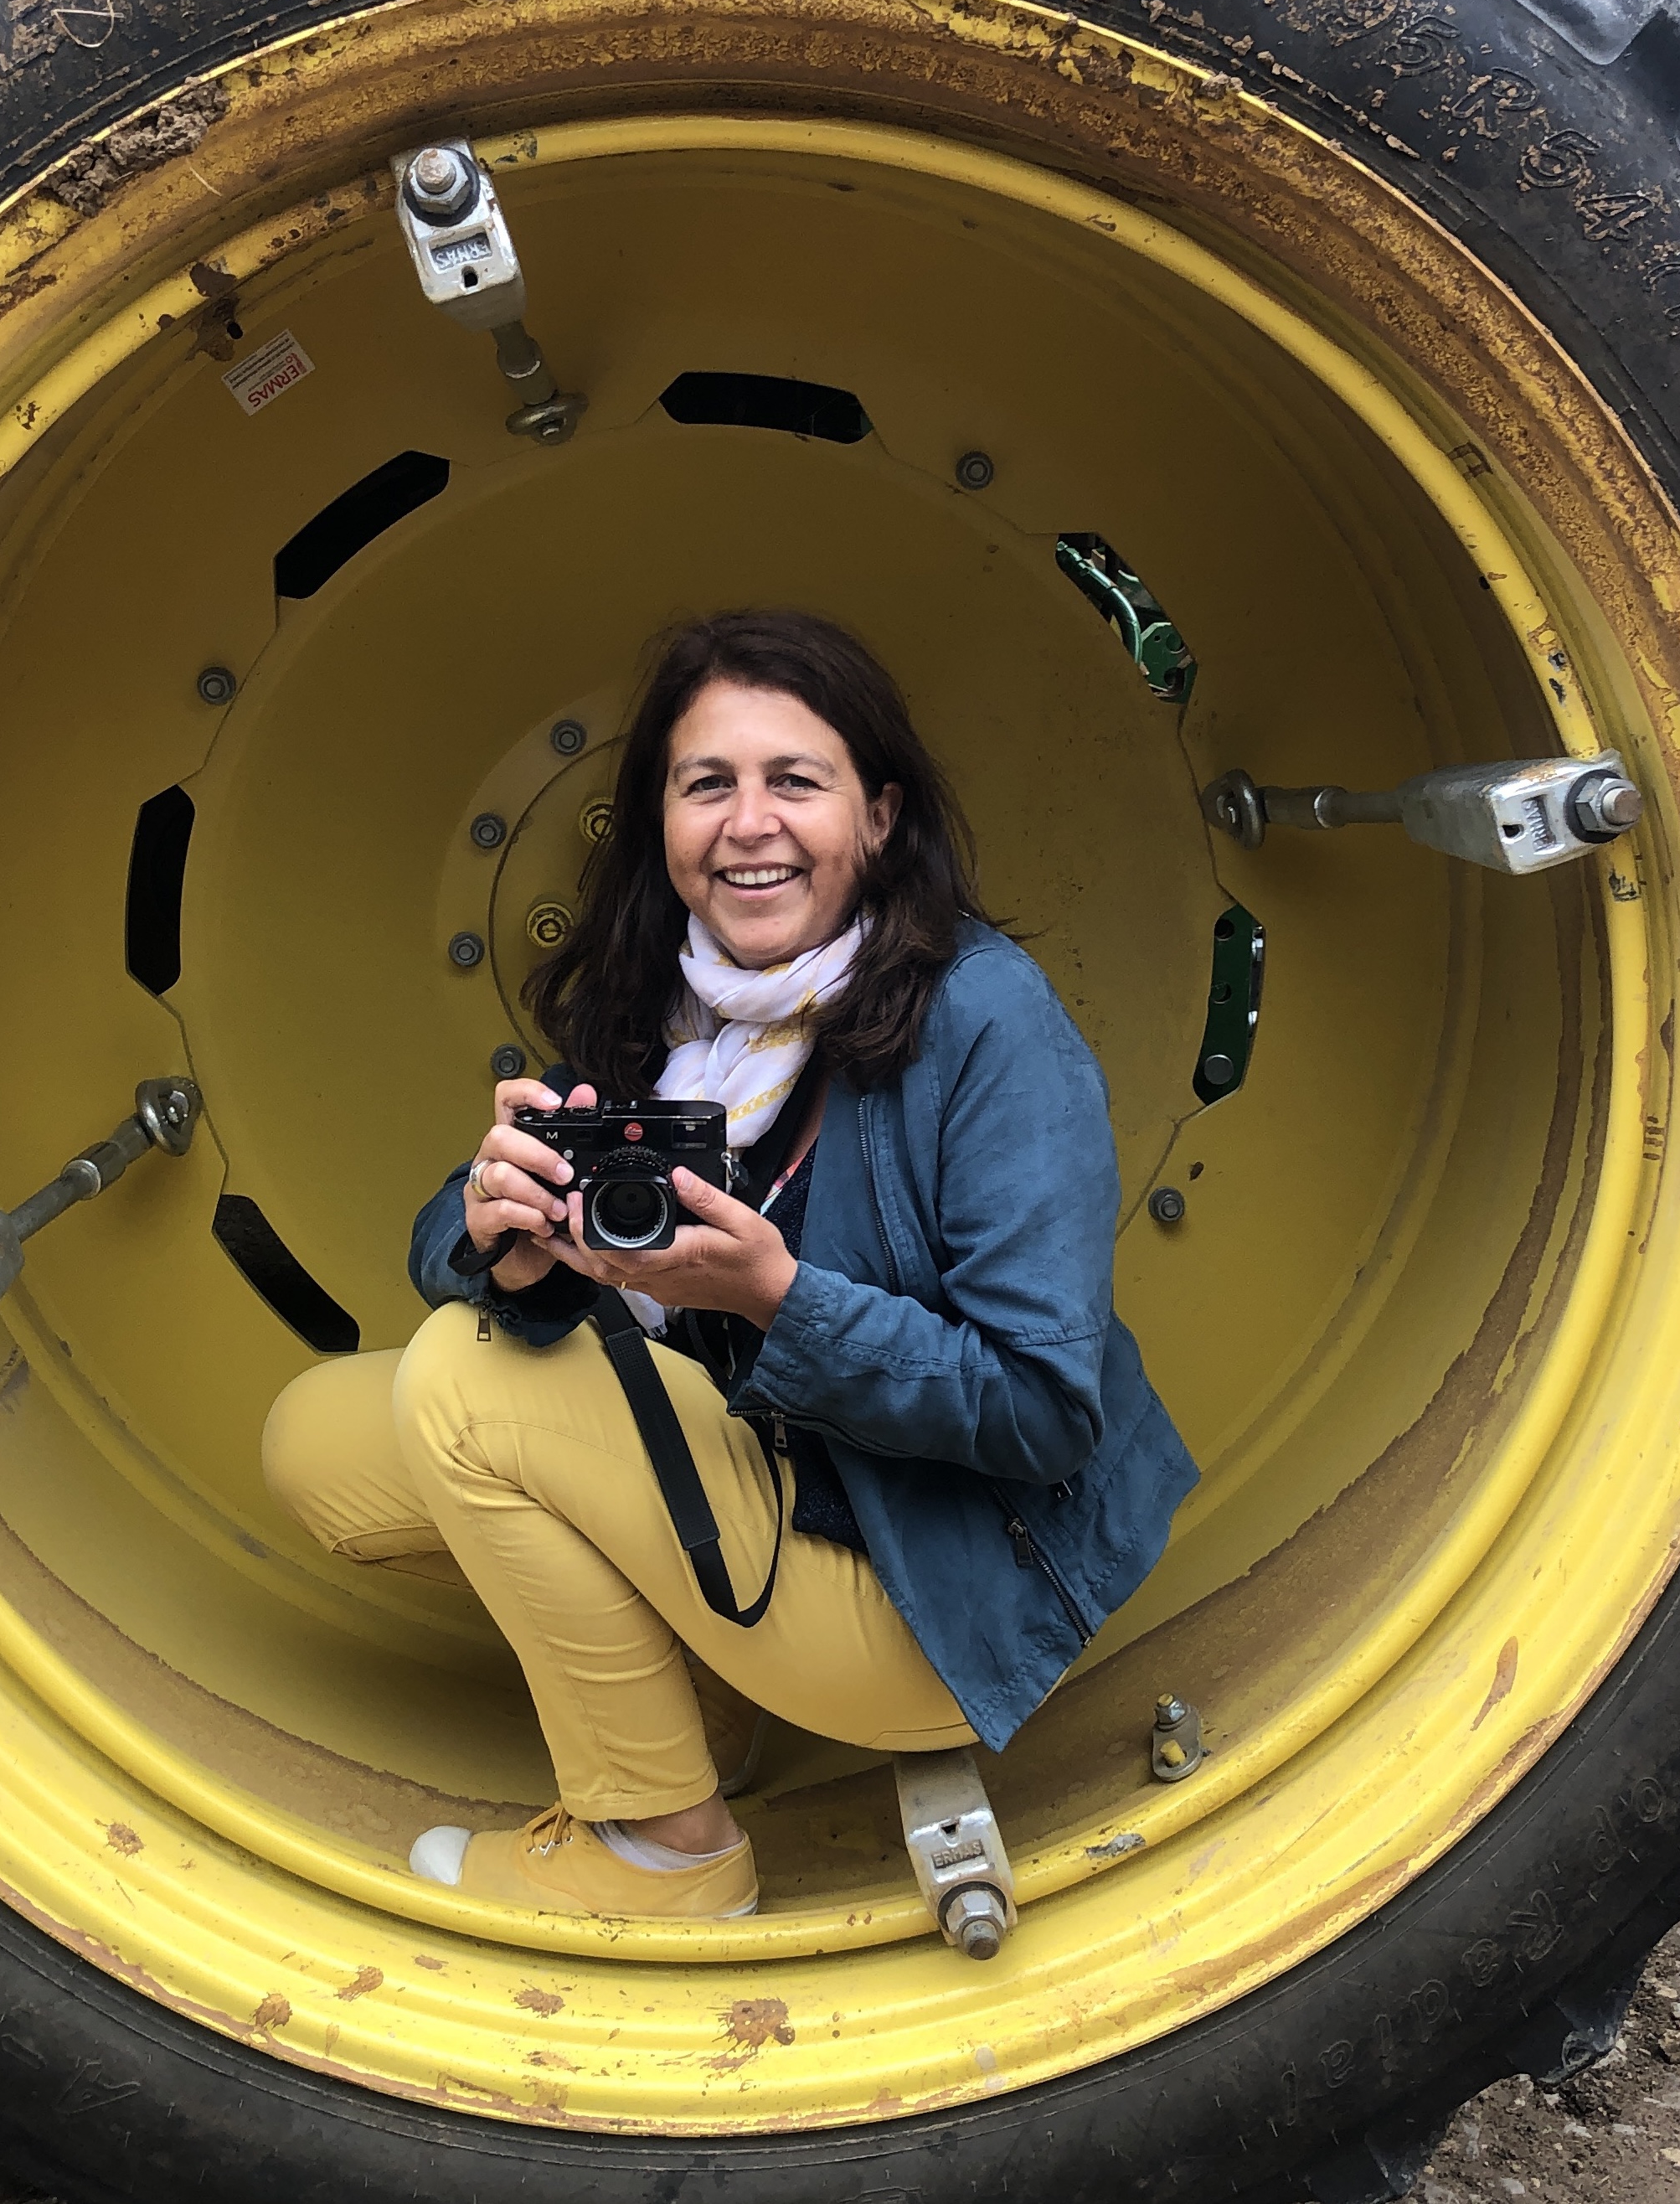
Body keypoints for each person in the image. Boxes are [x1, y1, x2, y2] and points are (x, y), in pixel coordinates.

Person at [262, 611, 1197, 1920]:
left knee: (460, 1395)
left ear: (876, 816)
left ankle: (663, 1850)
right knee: (324, 1438)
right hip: (747, 1497)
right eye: (707, 783)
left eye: (793, 781)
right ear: (659, 819)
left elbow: (1042, 1408)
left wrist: (775, 1298)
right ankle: (700, 1701)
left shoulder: (986, 1018)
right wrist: (501, 1244)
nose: (746, 822)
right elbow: (456, 1232)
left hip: (926, 1585)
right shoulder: (667, 1001)